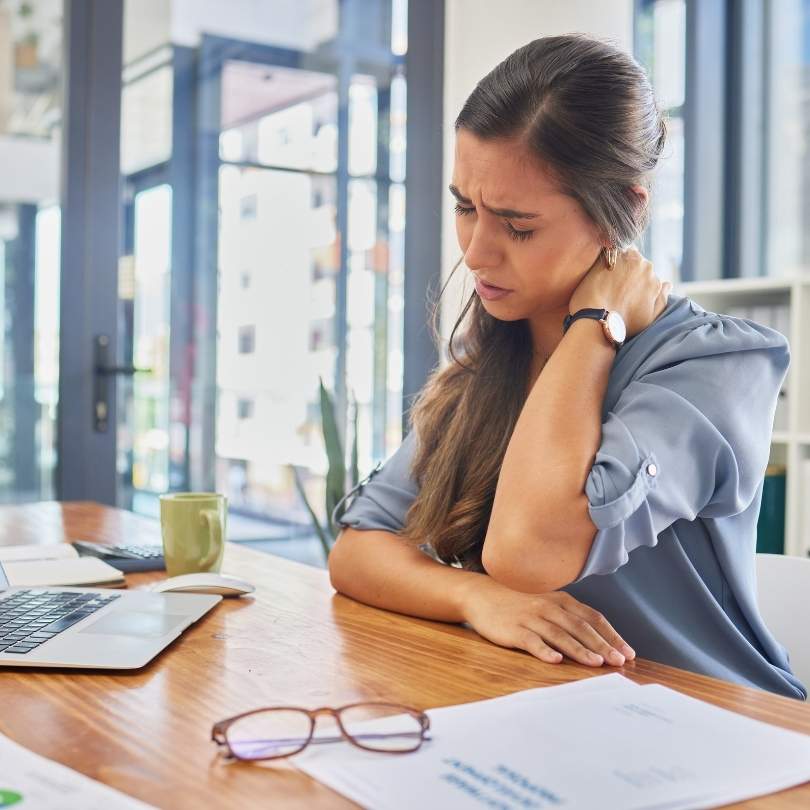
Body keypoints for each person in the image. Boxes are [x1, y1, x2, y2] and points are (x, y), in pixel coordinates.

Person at [328, 34, 807, 700]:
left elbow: (526, 554)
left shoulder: (717, 363)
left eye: (518, 226)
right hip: (554, 712)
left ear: (627, 211)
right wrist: (475, 599)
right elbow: (358, 550)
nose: (475, 252)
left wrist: (595, 326)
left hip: (718, 723)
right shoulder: (499, 351)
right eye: (465, 207)